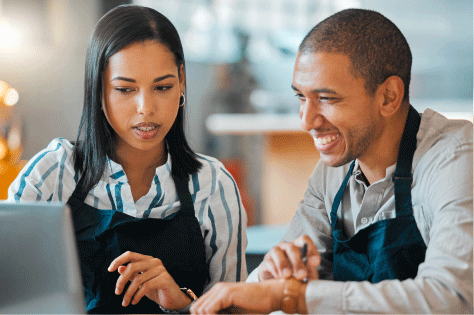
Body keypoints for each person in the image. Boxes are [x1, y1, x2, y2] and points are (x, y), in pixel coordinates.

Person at [191, 8, 473, 315]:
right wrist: (273, 275)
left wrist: (294, 296)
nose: (307, 120)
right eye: (301, 96)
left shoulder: (455, 159)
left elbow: (453, 298)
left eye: (326, 98)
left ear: (389, 97)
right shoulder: (332, 171)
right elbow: (277, 283)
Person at [6, 4, 247, 314]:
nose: (146, 108)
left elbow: (236, 310)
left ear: (182, 80)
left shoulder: (213, 184)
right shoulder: (54, 172)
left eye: (162, 87)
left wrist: (181, 302)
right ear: (98, 89)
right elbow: (10, 291)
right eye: (124, 89)